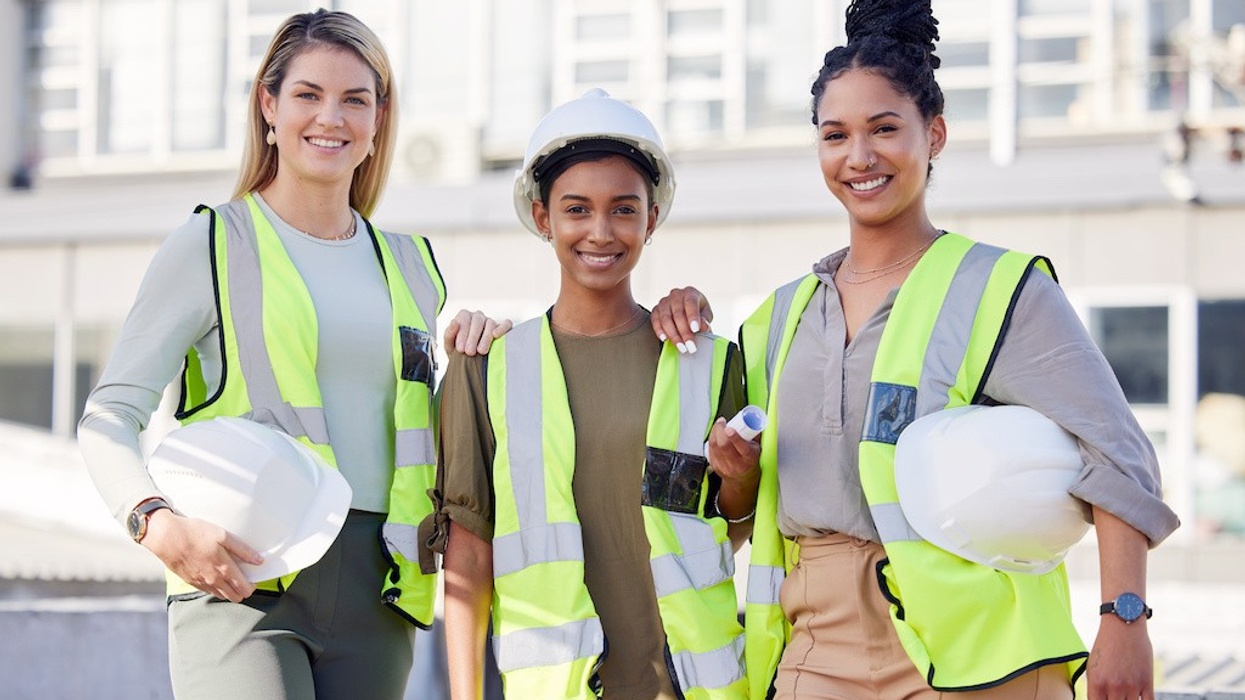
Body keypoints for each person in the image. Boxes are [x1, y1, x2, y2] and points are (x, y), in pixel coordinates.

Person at [651, 1, 1181, 699]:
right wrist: (736, 472)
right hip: (812, 643)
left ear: (933, 136)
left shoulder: (999, 288)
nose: (858, 156)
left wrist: (1124, 619)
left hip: (979, 652)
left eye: (884, 129)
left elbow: (1116, 454)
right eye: (834, 135)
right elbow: (739, 514)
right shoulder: (776, 319)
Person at [77, 9, 507, 699]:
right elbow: (108, 416)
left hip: (380, 590)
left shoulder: (414, 266)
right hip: (243, 583)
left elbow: (417, 426)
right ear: (268, 105)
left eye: (354, 99)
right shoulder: (212, 245)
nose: (329, 117)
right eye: (308, 94)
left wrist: (475, 349)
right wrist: (154, 524)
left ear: (377, 120)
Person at [427, 88, 759, 700]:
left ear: (651, 219)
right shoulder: (486, 370)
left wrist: (739, 480)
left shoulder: (708, 362)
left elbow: (728, 529)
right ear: (543, 216)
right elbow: (467, 557)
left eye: (624, 210)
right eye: (577, 209)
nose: (601, 232)